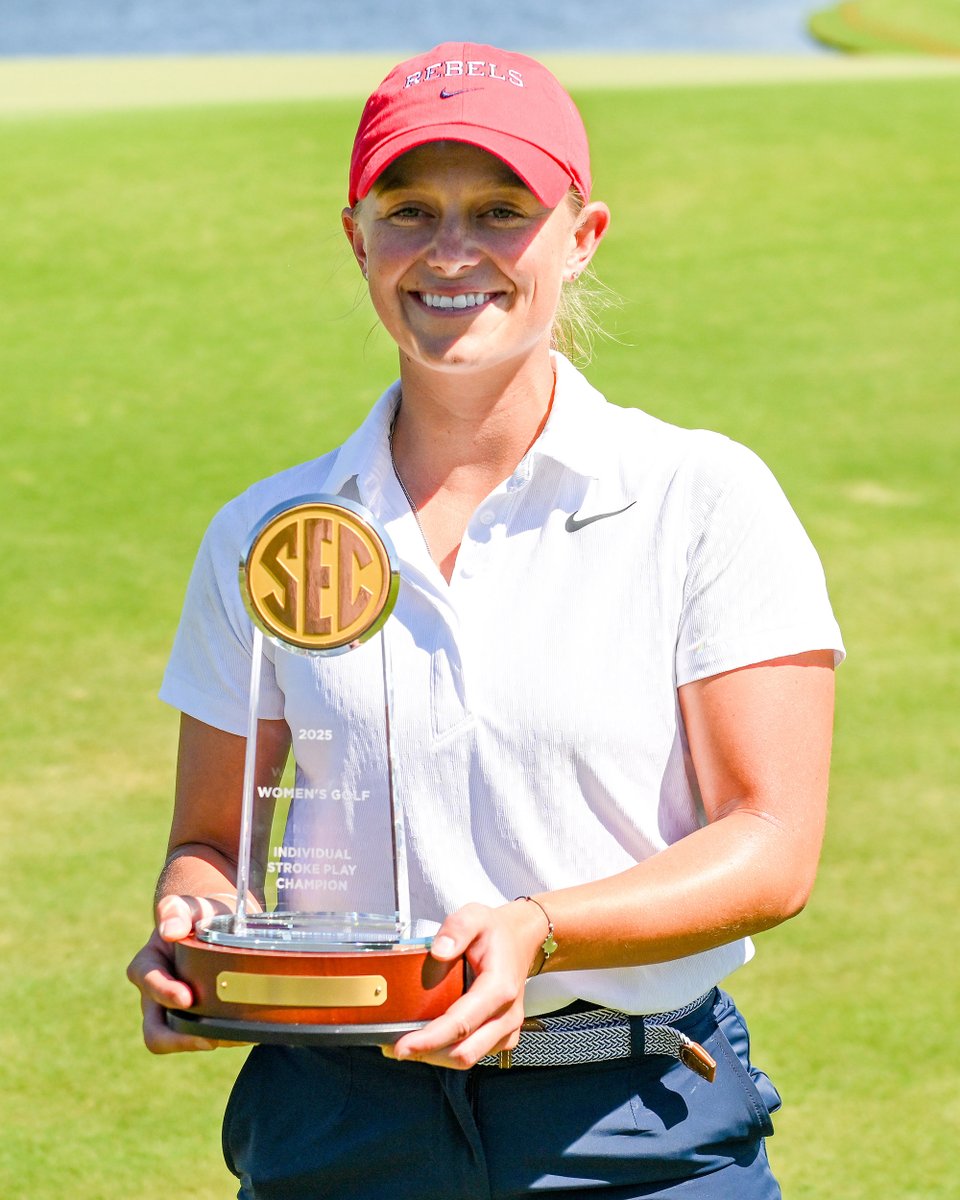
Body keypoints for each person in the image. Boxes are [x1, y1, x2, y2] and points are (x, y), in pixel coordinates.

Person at [127, 41, 843, 1200]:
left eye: (500, 209)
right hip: (334, 1117)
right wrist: (199, 935)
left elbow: (771, 842)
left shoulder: (700, 498)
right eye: (410, 210)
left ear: (582, 233)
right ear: (357, 237)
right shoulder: (267, 532)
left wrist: (538, 928)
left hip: (626, 1119)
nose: (451, 251)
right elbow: (212, 843)